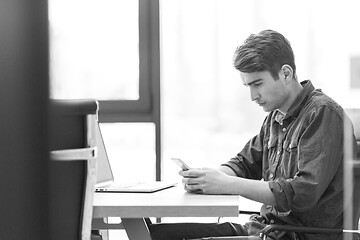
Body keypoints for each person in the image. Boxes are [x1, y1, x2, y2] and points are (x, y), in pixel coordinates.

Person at [146, 29, 357, 240]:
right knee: (155, 234)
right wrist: (207, 179)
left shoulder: (322, 114)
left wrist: (227, 184)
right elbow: (244, 164)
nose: (252, 96)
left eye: (257, 84)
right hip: (264, 230)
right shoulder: (275, 118)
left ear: (286, 73)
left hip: (295, 236)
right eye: (247, 86)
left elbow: (302, 194)